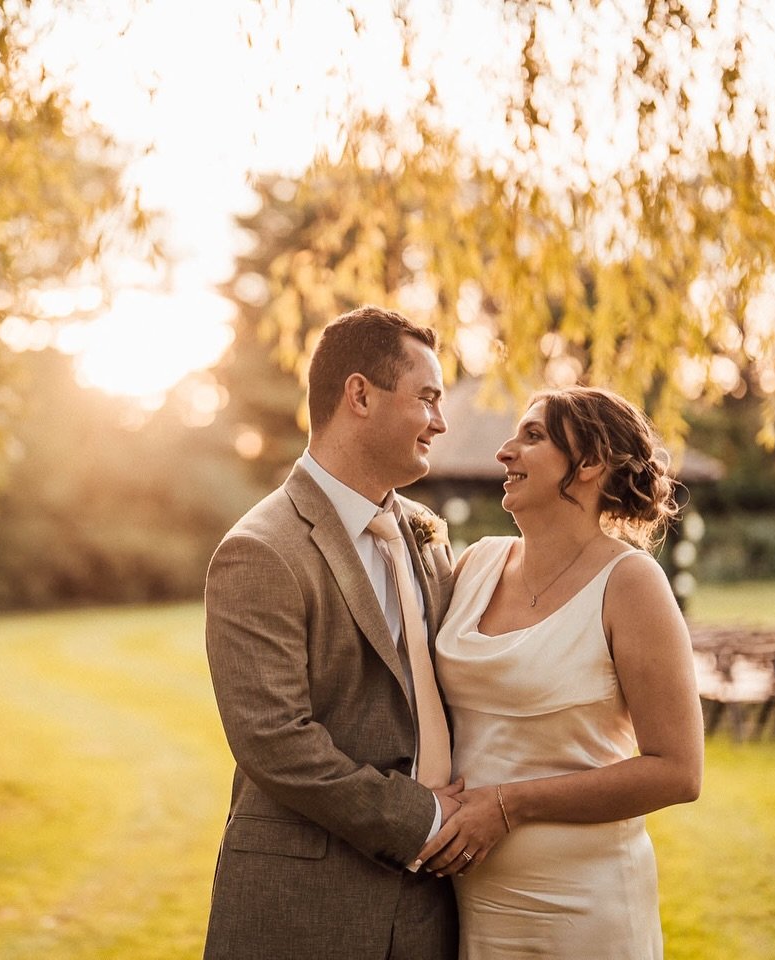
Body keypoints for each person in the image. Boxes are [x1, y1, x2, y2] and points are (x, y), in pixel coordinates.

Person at [203, 306, 463, 960]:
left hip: (432, 909)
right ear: (360, 395)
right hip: (307, 907)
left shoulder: (425, 534)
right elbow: (275, 741)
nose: (441, 421)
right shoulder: (261, 550)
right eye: (427, 398)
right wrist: (423, 819)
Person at [420, 386, 703, 959]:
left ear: (591, 462)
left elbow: (678, 771)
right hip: (471, 901)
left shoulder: (631, 584)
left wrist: (508, 804)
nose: (504, 451)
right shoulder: (476, 563)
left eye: (532, 436)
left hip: (585, 904)